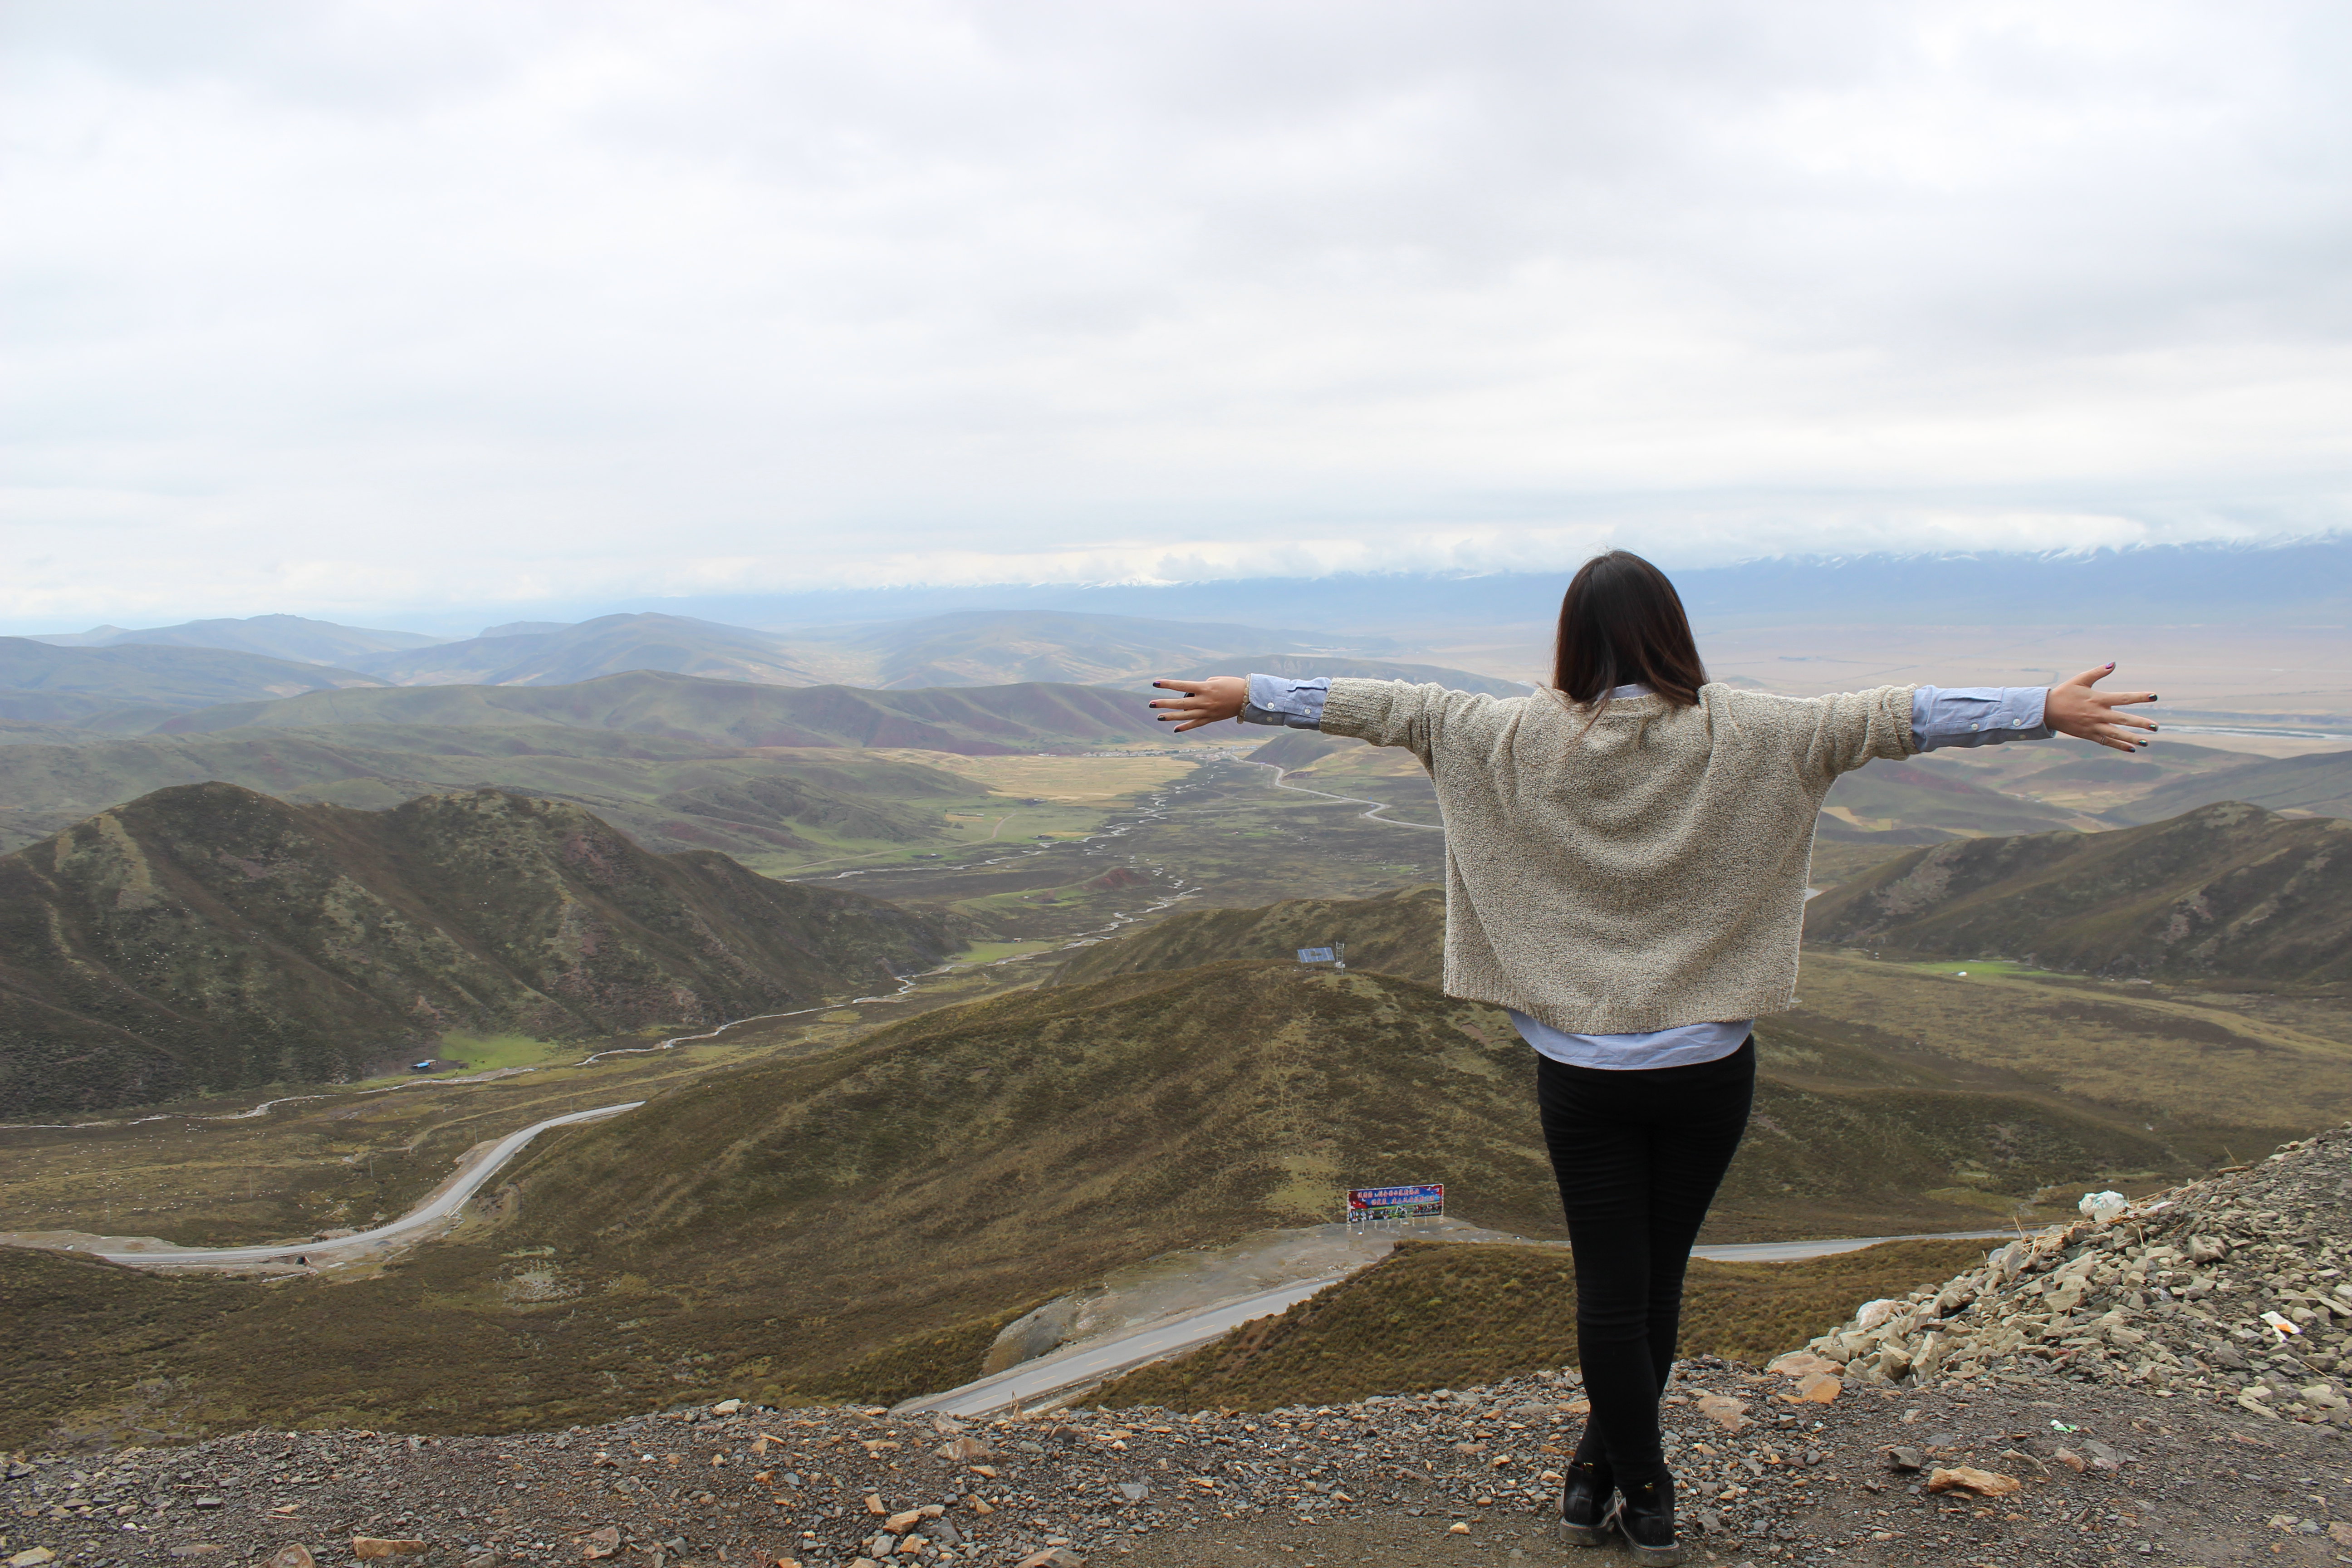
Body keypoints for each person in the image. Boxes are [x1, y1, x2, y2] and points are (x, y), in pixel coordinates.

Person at [1147, 550, 2156, 1565]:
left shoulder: (1501, 734)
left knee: (1612, 1286)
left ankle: (1625, 1478)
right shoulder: (1760, 731)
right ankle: (1625, 1481)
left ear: (1570, 639)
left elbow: (1381, 705)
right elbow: (1900, 715)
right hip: (1708, 1067)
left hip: (1581, 1074)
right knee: (1655, 1281)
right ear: (1674, 631)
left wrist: (1249, 698)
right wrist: (2041, 707)